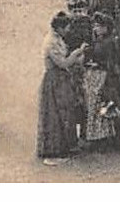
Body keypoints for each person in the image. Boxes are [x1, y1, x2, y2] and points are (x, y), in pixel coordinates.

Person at [37, 12, 86, 159]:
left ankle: (65, 144)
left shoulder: (56, 38)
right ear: (59, 28)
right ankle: (56, 147)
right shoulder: (51, 42)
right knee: (57, 112)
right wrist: (78, 52)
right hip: (55, 80)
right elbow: (63, 63)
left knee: (64, 111)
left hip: (61, 79)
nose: (68, 31)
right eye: (66, 28)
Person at [81, 14, 120, 153]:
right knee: (109, 108)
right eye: (95, 26)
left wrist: (94, 62)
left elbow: (110, 63)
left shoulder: (108, 43)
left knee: (112, 107)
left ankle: (118, 141)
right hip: (106, 77)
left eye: (99, 26)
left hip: (109, 79)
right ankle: (113, 139)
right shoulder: (102, 40)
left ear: (106, 28)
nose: (96, 28)